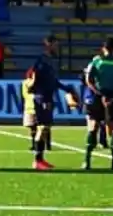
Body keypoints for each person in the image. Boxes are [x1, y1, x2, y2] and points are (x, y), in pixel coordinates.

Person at [24, 36, 80, 171]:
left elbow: (53, 81)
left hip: (48, 96)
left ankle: (40, 159)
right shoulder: (42, 60)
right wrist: (35, 89)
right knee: (43, 128)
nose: (57, 48)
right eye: (55, 45)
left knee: (45, 128)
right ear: (48, 45)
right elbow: (35, 76)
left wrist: (67, 89)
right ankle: (37, 160)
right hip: (42, 98)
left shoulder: (50, 61)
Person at [81, 38, 113, 171]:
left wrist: (99, 95)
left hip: (97, 96)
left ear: (103, 48)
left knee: (93, 126)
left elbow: (88, 80)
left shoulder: (96, 61)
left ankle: (87, 161)